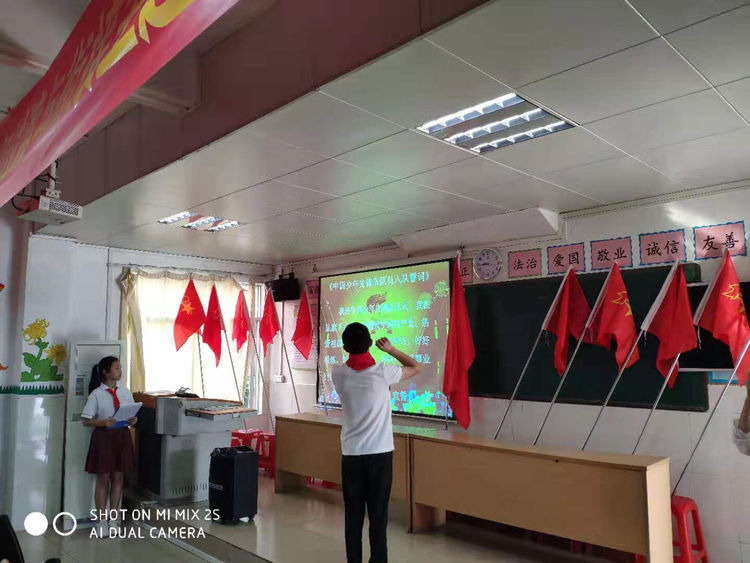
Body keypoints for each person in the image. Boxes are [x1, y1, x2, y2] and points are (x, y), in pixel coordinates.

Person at [331, 323, 423, 563]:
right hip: (380, 454)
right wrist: (391, 349)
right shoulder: (383, 372)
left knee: (353, 515)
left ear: (345, 347)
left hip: (352, 454)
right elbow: (416, 366)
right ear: (371, 344)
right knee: (378, 515)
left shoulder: (338, 374)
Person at [80, 356, 137, 537]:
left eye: (120, 368)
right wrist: (103, 422)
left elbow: (132, 414)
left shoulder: (125, 391)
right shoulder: (96, 394)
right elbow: (86, 421)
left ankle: (113, 519)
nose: (120, 371)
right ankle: (101, 522)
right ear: (105, 372)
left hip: (122, 436)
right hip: (104, 437)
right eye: (116, 368)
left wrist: (133, 420)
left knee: (118, 477)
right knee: (103, 478)